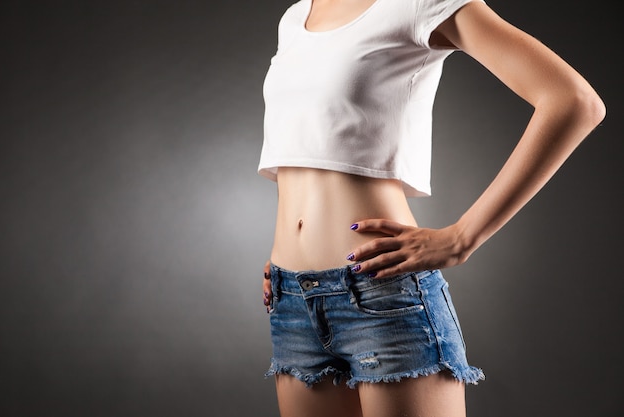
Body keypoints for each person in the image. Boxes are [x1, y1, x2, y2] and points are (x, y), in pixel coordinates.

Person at [257, 0, 605, 416]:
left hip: (381, 292)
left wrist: (462, 238)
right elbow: (309, 150)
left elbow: (574, 101)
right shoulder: (296, 15)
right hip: (291, 297)